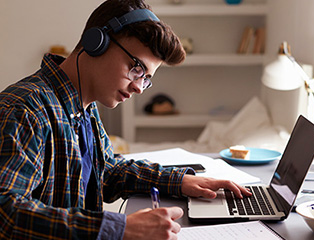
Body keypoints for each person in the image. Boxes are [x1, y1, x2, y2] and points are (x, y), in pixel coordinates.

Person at [0, 0, 251, 239]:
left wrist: (180, 181)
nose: (140, 88)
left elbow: (106, 172)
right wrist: (120, 229)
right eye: (136, 68)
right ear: (96, 42)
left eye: (146, 78)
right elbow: (6, 213)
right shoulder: (25, 110)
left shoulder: (82, 107)